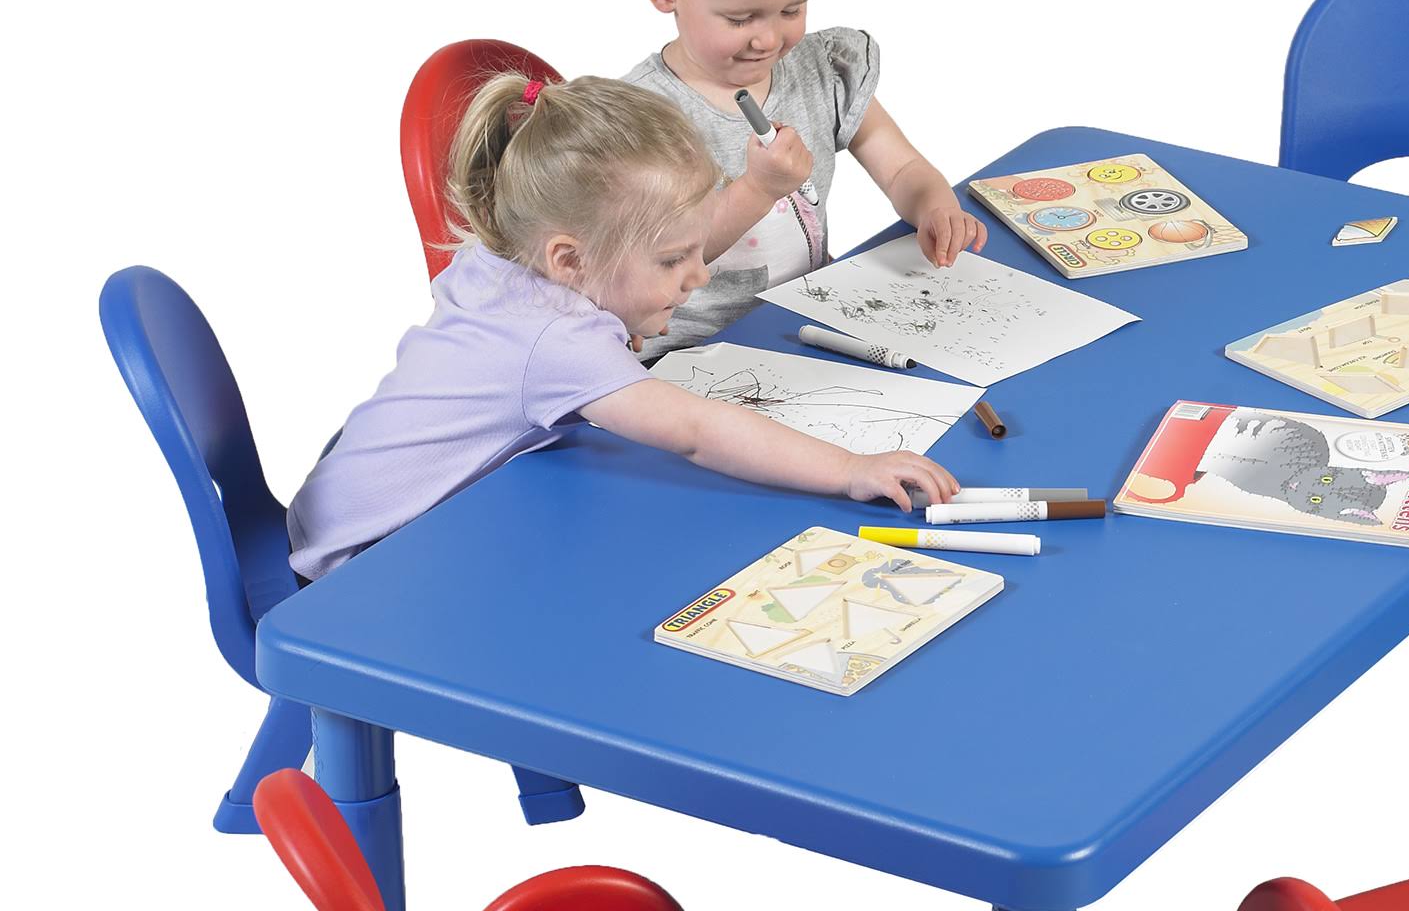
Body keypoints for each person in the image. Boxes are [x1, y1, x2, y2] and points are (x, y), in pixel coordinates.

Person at [287, 70, 955, 580]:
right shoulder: (557, 341)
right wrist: (850, 468)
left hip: (330, 509)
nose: (699, 276)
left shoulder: (502, 254)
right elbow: (696, 434)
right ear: (570, 260)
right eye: (671, 260)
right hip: (361, 568)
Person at [620, 0, 985, 356]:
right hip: (685, 357)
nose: (769, 39)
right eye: (740, 19)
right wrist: (758, 188)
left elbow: (900, 166)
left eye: (791, 10)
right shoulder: (638, 117)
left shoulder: (822, 71)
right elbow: (658, 258)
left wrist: (934, 206)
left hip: (808, 330)